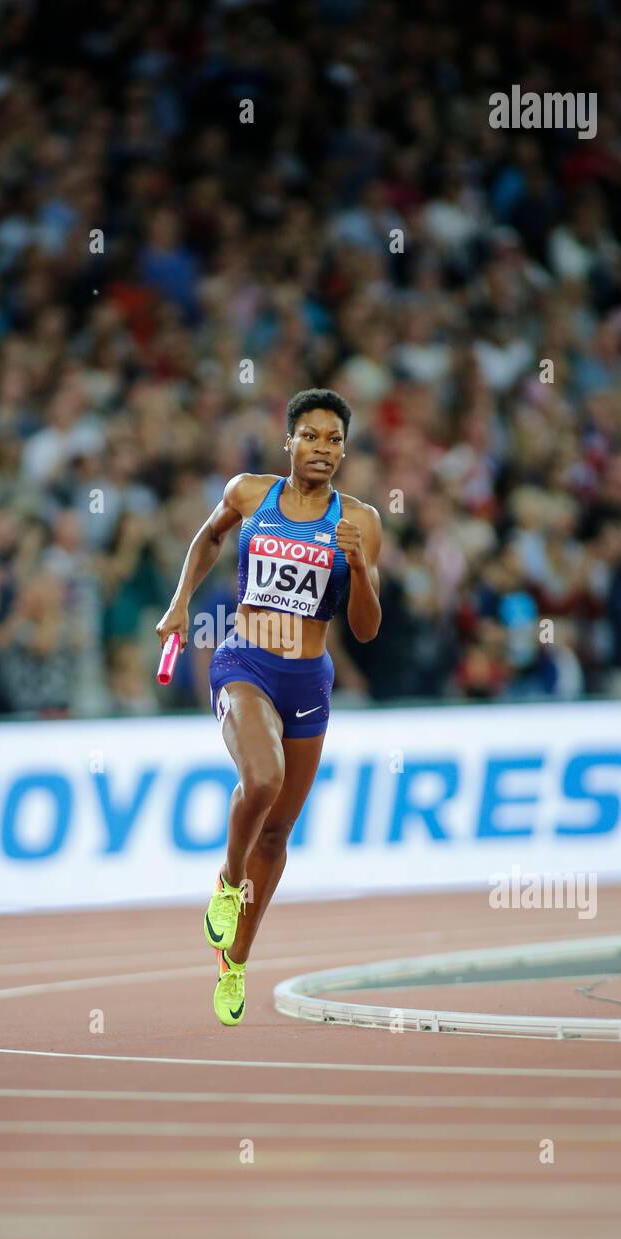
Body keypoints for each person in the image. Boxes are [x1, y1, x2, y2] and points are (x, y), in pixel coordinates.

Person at [156, 389, 382, 1025]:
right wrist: (180, 604)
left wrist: (360, 570)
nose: (323, 450)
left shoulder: (360, 521)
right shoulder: (250, 494)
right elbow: (206, 540)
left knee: (279, 832)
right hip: (245, 662)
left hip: (309, 679)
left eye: (334, 440)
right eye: (311, 437)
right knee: (263, 778)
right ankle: (228, 885)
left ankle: (235, 964)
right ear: (289, 441)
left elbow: (365, 630)